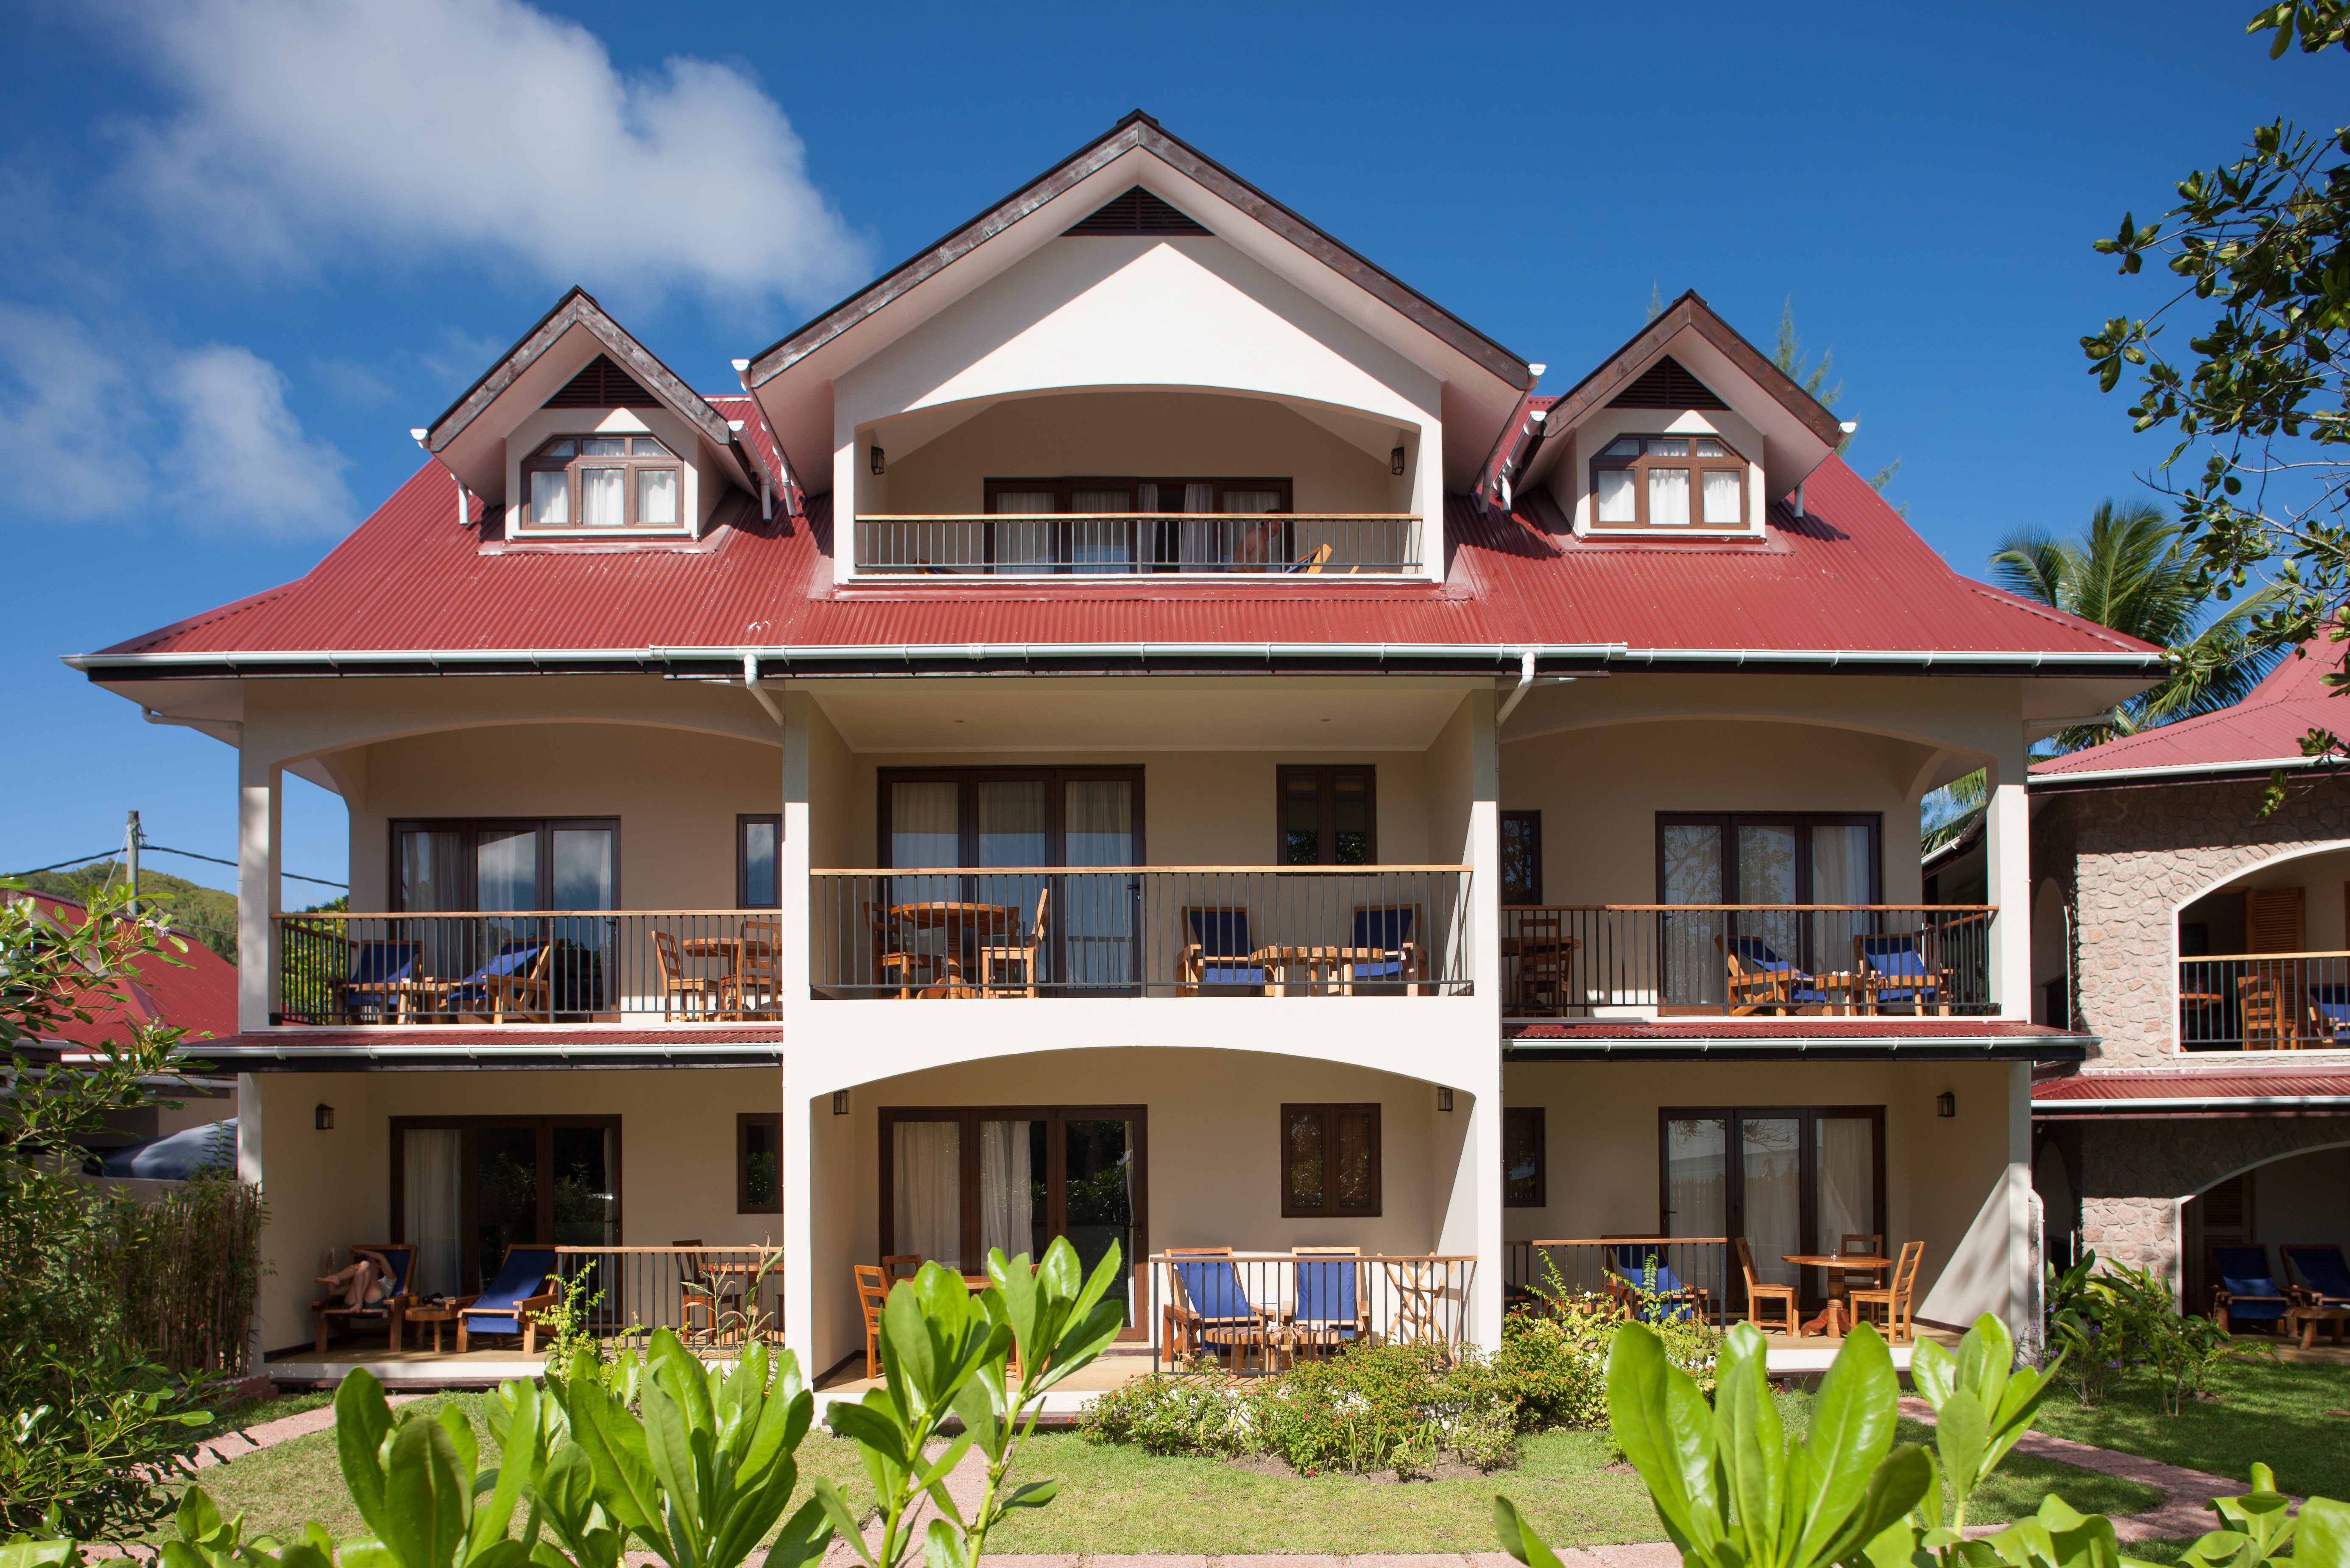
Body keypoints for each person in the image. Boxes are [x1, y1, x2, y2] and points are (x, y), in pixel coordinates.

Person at [317, 1247, 394, 1309]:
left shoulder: (388, 1281)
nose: (368, 1263)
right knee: (363, 1266)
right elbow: (333, 1292)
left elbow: (382, 1258)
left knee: (364, 1264)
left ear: (379, 1265)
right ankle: (336, 1278)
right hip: (352, 1304)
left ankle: (337, 1277)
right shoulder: (359, 1284)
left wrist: (363, 1251)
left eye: (371, 1261)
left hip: (375, 1303)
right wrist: (329, 1269)